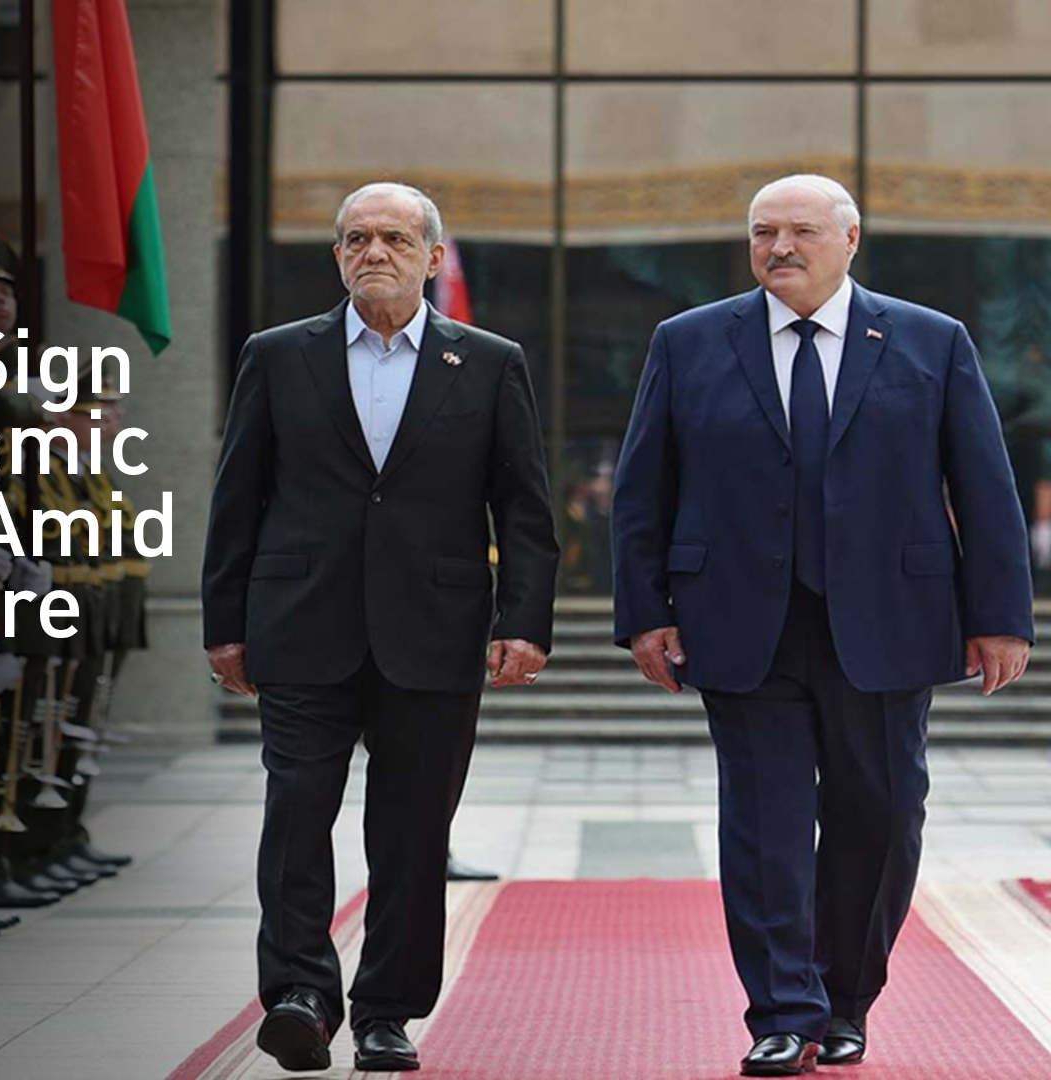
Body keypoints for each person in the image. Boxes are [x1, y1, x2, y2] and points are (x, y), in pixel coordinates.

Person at [611, 174, 1035, 1077]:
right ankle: (782, 1010)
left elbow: (985, 489)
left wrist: (1000, 617)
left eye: (802, 231)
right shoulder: (688, 342)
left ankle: (845, 1001)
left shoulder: (930, 340)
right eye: (764, 233)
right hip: (739, 625)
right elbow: (644, 489)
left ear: (851, 240)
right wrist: (645, 613)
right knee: (762, 824)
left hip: (889, 622)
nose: (781, 248)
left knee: (878, 818)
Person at [201, 182, 558, 1073]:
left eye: (396, 238)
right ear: (337, 257)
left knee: (410, 834)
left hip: (433, 632)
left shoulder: (487, 361)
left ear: (433, 258)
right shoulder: (280, 356)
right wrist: (224, 623)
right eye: (356, 238)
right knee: (295, 817)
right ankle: (299, 994)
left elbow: (522, 506)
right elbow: (236, 496)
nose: (375, 251)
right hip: (300, 623)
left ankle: (386, 1010)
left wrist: (524, 619)